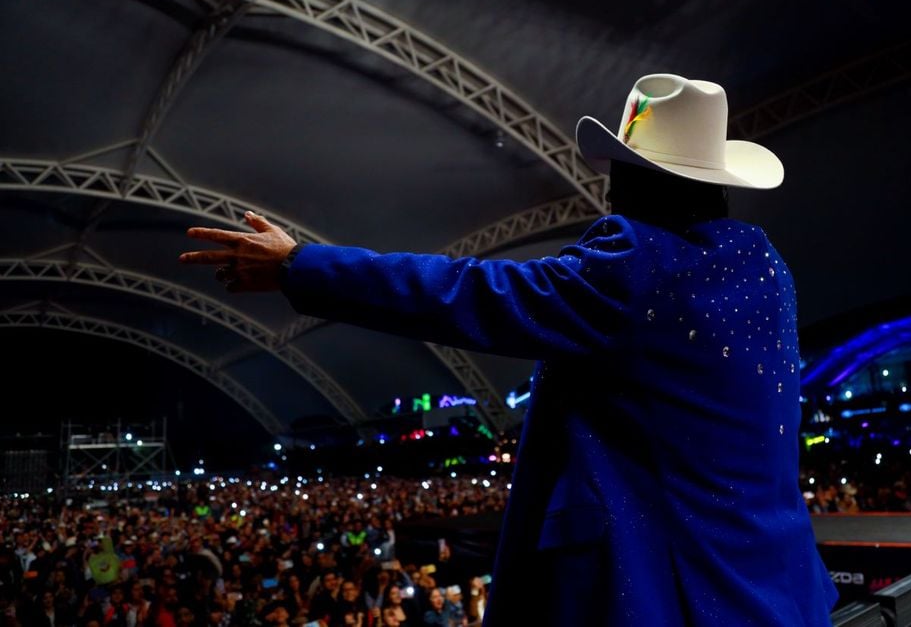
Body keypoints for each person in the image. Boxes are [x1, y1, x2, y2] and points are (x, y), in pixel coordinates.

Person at [180, 74, 839, 625]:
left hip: (672, 598)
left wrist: (301, 264)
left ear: (641, 180)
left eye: (619, 171)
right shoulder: (767, 266)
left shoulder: (634, 263)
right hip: (781, 590)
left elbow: (466, 293)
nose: (608, 187)